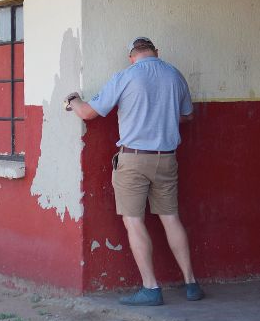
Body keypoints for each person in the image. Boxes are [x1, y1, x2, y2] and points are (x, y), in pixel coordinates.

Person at [64, 37, 203, 305]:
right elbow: (188, 115)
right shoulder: (175, 75)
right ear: (156, 52)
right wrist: (161, 115)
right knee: (171, 218)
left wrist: (73, 99)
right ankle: (191, 283)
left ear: (131, 56)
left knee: (134, 221)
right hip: (167, 158)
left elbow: (88, 113)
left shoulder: (126, 76)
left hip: (134, 159)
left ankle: (151, 289)